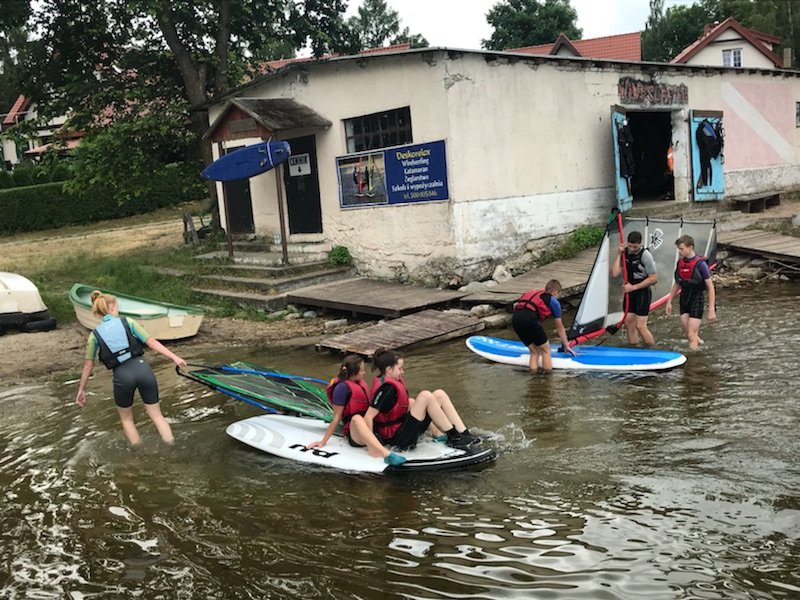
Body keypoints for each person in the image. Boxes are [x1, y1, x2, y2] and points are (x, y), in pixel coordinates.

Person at [75, 291, 186, 445]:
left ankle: (138, 455)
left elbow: (88, 365)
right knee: (157, 416)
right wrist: (175, 357)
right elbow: (152, 343)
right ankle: (172, 445)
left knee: (127, 420)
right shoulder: (128, 322)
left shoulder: (94, 335)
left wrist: (82, 389)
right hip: (143, 370)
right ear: (112, 307)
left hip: (122, 376)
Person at [367, 349, 479, 451]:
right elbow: (368, 417)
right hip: (397, 441)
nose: (403, 372)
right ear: (389, 370)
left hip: (405, 431)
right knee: (425, 396)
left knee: (439, 394)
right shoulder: (386, 389)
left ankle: (464, 433)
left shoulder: (390, 383)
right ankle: (454, 437)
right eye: (400, 369)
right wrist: (374, 447)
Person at [307, 355, 406, 466]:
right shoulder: (341, 388)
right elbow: (336, 417)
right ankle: (387, 455)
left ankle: (378, 443)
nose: (364, 373)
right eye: (362, 370)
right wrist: (323, 441)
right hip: (354, 432)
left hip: (371, 428)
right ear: (355, 372)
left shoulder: (359, 383)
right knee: (357, 418)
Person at [511, 279, 577, 373]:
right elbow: (560, 328)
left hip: (515, 320)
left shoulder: (533, 293)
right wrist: (566, 345)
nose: (558, 297)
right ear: (555, 292)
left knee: (534, 351)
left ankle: (533, 376)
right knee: (546, 350)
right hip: (529, 320)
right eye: (558, 294)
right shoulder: (554, 302)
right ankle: (548, 378)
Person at [665, 235, 717, 349]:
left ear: (690, 248)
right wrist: (669, 301)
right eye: (678, 249)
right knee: (687, 332)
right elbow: (677, 283)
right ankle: (700, 344)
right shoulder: (680, 263)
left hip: (696, 299)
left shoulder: (701, 265)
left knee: (691, 334)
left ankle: (694, 362)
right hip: (684, 299)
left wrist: (711, 309)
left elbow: (710, 287)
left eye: (681, 249)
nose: (679, 251)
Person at [610, 231, 658, 345]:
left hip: (642, 292)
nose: (631, 249)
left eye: (634, 247)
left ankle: (652, 348)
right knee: (629, 323)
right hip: (629, 292)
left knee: (640, 326)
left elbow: (654, 278)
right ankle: (634, 348)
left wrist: (634, 287)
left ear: (640, 244)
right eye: (629, 246)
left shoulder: (645, 255)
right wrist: (618, 254)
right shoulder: (624, 253)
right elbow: (615, 273)